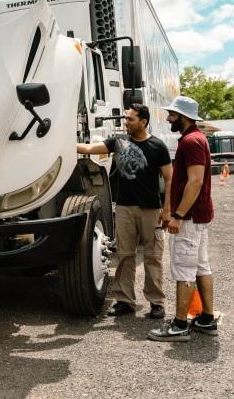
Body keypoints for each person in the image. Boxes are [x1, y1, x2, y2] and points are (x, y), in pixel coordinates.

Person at [76, 104, 172, 319]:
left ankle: (156, 302)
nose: (125, 122)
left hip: (151, 209)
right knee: (125, 256)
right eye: (126, 118)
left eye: (130, 119)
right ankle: (125, 301)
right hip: (124, 208)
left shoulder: (158, 146)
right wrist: (64, 144)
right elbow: (89, 149)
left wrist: (167, 209)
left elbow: (169, 179)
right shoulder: (118, 142)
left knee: (153, 256)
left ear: (143, 122)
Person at [148, 95, 218, 342]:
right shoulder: (196, 138)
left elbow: (195, 181)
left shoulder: (191, 141)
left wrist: (178, 215)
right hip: (197, 215)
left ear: (184, 116)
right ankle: (207, 319)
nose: (168, 118)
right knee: (200, 266)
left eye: (172, 114)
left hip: (189, 217)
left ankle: (179, 325)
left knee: (184, 269)